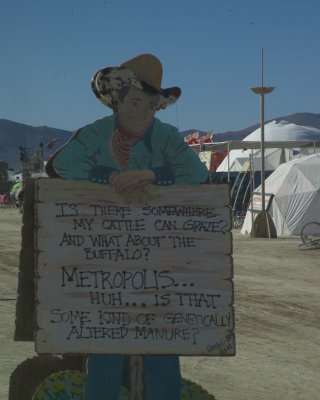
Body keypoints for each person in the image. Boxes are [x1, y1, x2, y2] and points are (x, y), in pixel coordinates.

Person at [47, 53, 209, 400]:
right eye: (136, 102)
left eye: (151, 106)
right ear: (118, 100)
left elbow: (197, 174)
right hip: (103, 269)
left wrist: (152, 175)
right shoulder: (95, 134)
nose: (143, 112)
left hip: (160, 272)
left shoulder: (166, 137)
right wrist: (110, 177)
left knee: (162, 355)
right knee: (105, 354)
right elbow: (60, 165)